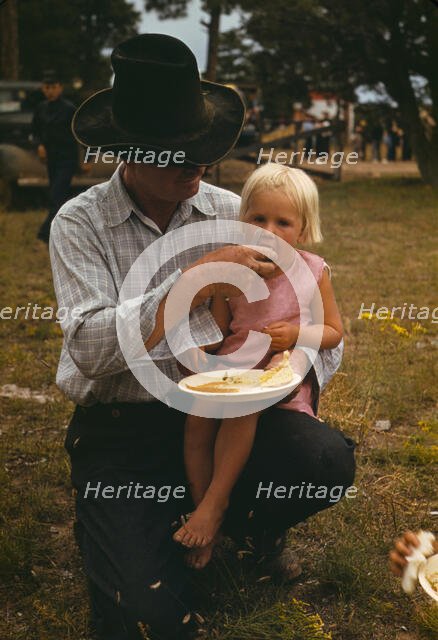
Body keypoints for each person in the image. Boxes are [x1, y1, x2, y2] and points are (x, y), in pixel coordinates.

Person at [49, 34, 355, 640]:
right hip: (124, 427)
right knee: (146, 617)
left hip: (231, 410)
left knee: (321, 461)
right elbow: (87, 349)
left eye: (204, 150)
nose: (199, 164)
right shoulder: (79, 222)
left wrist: (288, 348)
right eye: (179, 152)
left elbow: (325, 331)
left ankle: (246, 529)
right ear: (130, 151)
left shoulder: (233, 209)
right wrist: (189, 281)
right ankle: (125, 523)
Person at [173, 164, 343, 569]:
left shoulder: (312, 272)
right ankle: (204, 511)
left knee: (242, 408)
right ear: (242, 219)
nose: (269, 230)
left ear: (302, 230)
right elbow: (217, 330)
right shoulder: (234, 269)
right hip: (232, 368)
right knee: (197, 421)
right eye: (258, 218)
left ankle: (216, 503)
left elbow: (334, 331)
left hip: (275, 374)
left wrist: (298, 335)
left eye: (283, 222)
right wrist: (209, 292)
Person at [32, 70, 77, 243]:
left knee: (56, 195)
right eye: (46, 87)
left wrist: (87, 160)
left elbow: (80, 135)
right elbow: (35, 131)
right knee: (56, 196)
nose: (49, 90)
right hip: (51, 159)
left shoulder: (69, 109)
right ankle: (61, 229)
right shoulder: (41, 108)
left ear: (60, 88)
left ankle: (44, 233)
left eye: (53, 87)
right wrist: (39, 145)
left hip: (67, 159)